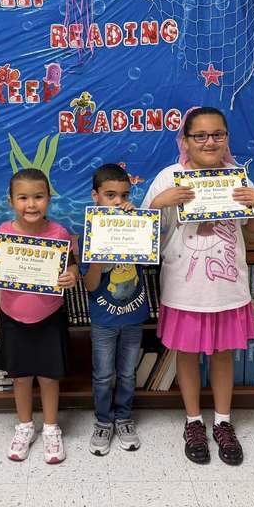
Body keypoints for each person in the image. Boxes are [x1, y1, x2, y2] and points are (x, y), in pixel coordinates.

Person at [141, 106, 254, 465]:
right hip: (184, 287)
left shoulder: (237, 177)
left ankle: (223, 422)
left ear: (227, 137)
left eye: (218, 134)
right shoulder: (170, 177)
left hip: (227, 287)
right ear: (186, 140)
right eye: (201, 135)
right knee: (187, 354)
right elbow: (143, 235)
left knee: (224, 354)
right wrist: (159, 203)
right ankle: (193, 421)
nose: (210, 141)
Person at [0, 168, 78, 464]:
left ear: (49, 199)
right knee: (20, 378)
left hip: (49, 317)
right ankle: (23, 427)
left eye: (38, 197)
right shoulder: (3, 235)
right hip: (13, 317)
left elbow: (71, 267)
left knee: (48, 377)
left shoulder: (59, 234)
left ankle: (50, 428)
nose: (31, 204)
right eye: (23, 198)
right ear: (10, 201)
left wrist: (71, 275)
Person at [81, 164, 149, 456]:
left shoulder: (137, 223)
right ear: (96, 196)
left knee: (127, 373)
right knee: (103, 374)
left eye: (124, 195)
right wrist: (98, 253)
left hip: (133, 316)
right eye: (110, 195)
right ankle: (103, 420)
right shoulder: (89, 232)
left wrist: (137, 229)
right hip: (103, 319)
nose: (118, 201)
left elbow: (148, 265)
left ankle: (124, 417)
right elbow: (91, 285)